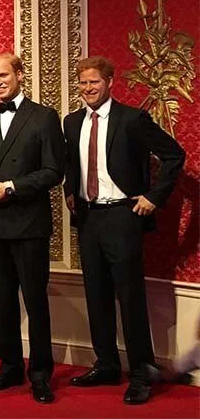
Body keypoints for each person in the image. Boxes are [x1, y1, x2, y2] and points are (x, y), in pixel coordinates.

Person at [63, 56, 185, 404]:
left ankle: (142, 372)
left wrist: (153, 197)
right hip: (88, 220)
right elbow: (71, 163)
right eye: (83, 83)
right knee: (96, 294)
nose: (88, 89)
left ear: (110, 82)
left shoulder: (132, 119)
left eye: (94, 83)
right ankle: (106, 365)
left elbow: (175, 155)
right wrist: (71, 191)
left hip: (123, 217)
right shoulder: (71, 123)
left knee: (129, 297)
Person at [0, 52, 65, 404]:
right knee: (2, 303)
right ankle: (9, 367)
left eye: (4, 75)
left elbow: (55, 171)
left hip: (30, 224)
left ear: (20, 74)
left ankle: (40, 374)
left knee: (36, 303)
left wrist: (10, 187)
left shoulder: (44, 117)